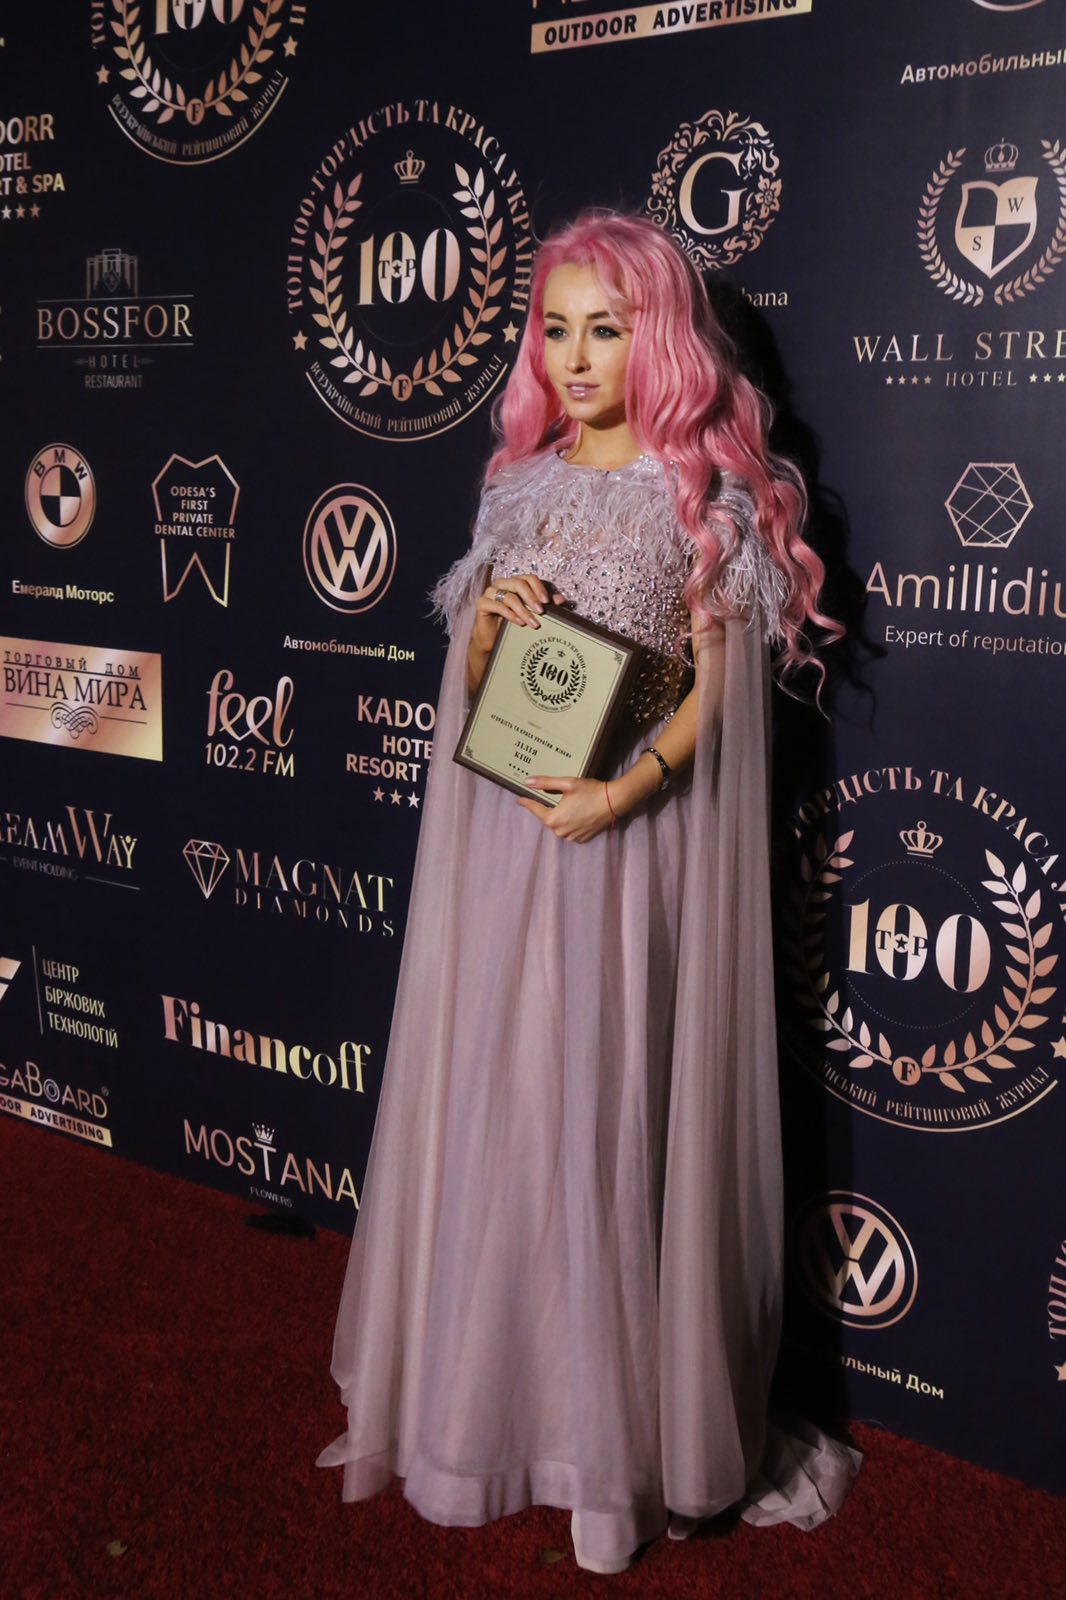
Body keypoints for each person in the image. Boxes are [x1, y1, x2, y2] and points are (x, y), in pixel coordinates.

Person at [317, 209, 861, 1575]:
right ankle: (496, 1411)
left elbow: (720, 696)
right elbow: (478, 683)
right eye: (554, 329)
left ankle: (611, 1458)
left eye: (603, 329)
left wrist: (622, 795)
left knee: (614, 1117)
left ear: (657, 340)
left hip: (628, 859)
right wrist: (485, 634)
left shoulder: (706, 500)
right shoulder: (514, 488)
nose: (572, 356)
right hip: (510, 854)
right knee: (510, 1111)